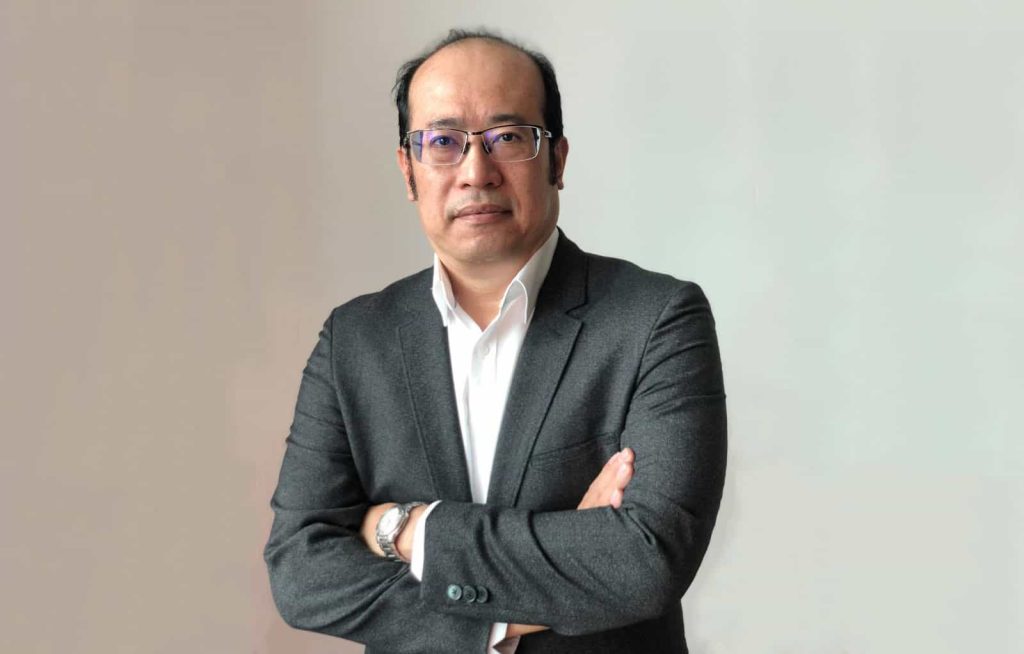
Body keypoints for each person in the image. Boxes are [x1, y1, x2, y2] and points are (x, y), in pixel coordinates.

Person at [264, 28, 727, 654]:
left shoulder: (656, 319)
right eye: (443, 142)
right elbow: (300, 572)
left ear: (557, 159)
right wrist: (527, 594)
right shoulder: (356, 339)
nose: (475, 172)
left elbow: (644, 562)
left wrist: (407, 529)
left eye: (508, 138)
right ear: (409, 169)